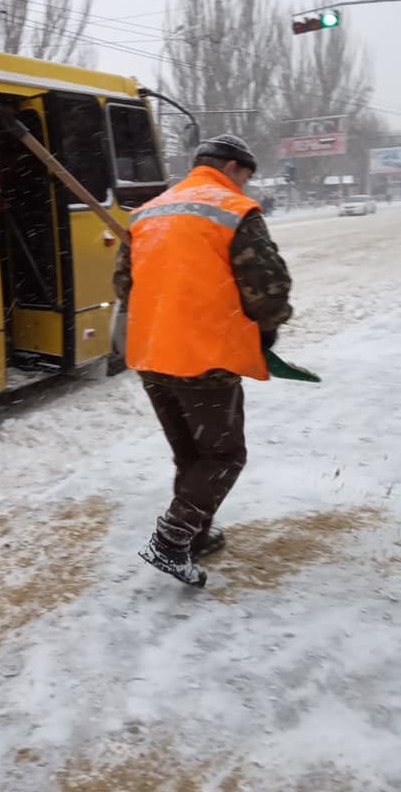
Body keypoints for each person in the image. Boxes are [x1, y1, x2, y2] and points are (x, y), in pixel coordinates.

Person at [113, 134, 293, 587]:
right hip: (204, 358)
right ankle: (172, 541)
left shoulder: (149, 211)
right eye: (246, 177)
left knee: (192, 454)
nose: (246, 188)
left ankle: (195, 536)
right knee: (223, 455)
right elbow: (268, 288)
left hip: (152, 355)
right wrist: (268, 326)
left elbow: (123, 285)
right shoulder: (232, 211)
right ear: (232, 167)